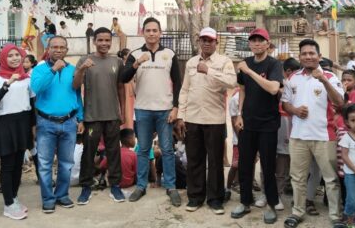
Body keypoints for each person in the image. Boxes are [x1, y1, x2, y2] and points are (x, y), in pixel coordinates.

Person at [281, 38, 344, 228]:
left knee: (330, 179)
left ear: (319, 56)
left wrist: (323, 80)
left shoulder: (331, 77)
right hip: (298, 137)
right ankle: (297, 212)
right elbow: (285, 103)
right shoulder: (293, 78)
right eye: (304, 54)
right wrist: (294, 110)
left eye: (311, 53)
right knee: (298, 178)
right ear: (299, 57)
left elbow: (340, 103)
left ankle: (335, 216)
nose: (308, 56)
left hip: (324, 137)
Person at [174, 27, 236, 215]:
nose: (207, 43)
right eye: (204, 40)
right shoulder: (191, 62)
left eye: (210, 40)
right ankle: (195, 197)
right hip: (192, 118)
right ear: (199, 42)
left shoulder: (224, 61)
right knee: (194, 159)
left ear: (216, 42)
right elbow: (185, 90)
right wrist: (181, 116)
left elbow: (232, 82)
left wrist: (209, 70)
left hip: (214, 119)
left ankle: (215, 199)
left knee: (216, 161)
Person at [121, 17, 182, 206]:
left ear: (160, 33)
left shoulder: (170, 54)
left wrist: (176, 107)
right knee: (143, 149)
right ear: (143, 33)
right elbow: (124, 78)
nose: (151, 33)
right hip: (143, 109)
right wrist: (136, 64)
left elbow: (178, 82)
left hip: (165, 110)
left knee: (167, 150)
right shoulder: (135, 54)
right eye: (148, 30)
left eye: (155, 30)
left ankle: (171, 187)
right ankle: (141, 186)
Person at [229, 28, 283, 224]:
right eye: (253, 40)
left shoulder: (274, 64)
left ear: (267, 44)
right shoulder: (246, 63)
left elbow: (274, 88)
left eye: (261, 40)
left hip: (268, 123)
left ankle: (271, 204)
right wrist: (239, 114)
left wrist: (249, 72)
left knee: (268, 166)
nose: (257, 44)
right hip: (248, 122)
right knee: (245, 165)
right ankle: (245, 202)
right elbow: (242, 89)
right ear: (249, 44)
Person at [30, 36, 84, 213]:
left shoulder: (73, 70)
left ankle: (62, 195)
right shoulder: (39, 69)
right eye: (54, 47)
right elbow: (36, 88)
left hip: (69, 122)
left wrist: (80, 118)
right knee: (45, 164)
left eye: (62, 47)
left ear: (66, 50)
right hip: (46, 122)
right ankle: (48, 198)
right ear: (48, 49)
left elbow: (77, 94)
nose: (58, 50)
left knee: (66, 163)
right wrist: (53, 70)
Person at [74, 27, 126, 205]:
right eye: (100, 40)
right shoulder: (85, 60)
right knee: (88, 153)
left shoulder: (117, 61)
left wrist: (122, 110)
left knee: (114, 151)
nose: (104, 43)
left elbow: (120, 88)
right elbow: (75, 85)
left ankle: (115, 186)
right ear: (94, 41)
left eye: (107, 40)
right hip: (92, 117)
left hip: (112, 116)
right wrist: (82, 69)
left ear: (111, 41)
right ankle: (86, 186)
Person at [0, 44, 33, 220]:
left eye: (17, 55)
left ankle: (14, 198)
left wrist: (33, 127)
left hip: (23, 122)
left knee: (18, 164)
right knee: (7, 165)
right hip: (6, 123)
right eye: (10, 56)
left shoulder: (26, 78)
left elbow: (32, 102)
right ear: (3, 59)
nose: (14, 58)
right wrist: (8, 83)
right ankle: (8, 204)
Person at [275, 58, 301, 206]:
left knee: (292, 163)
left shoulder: (298, 84)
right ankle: (277, 194)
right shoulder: (282, 85)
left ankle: (292, 195)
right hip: (284, 124)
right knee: (282, 160)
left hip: (295, 124)